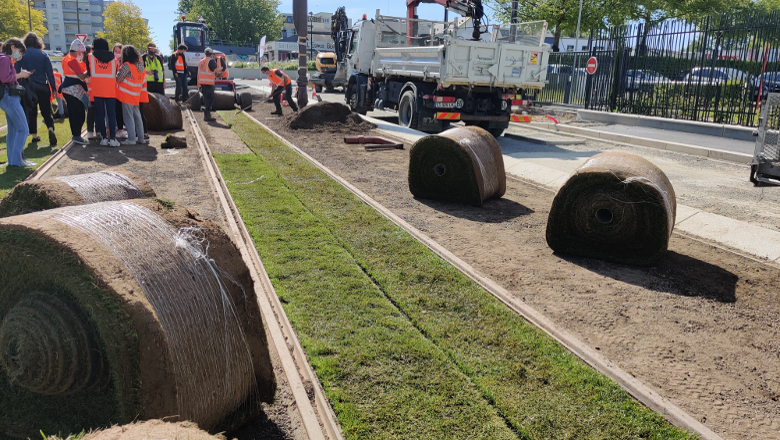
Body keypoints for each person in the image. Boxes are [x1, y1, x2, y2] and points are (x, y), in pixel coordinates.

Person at [15, 32, 57, 145]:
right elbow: (50, 73)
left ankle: (34, 135)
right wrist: (53, 88)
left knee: (32, 111)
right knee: (46, 111)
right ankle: (50, 128)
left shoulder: (21, 55)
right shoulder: (43, 54)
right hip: (43, 86)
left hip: (28, 87)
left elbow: (16, 70)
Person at [0, 38, 35, 166]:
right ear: (12, 46)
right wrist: (20, 75)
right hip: (9, 96)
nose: (19, 55)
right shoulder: (4, 59)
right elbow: (5, 78)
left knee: (13, 130)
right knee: (23, 129)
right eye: (19, 51)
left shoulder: (2, 57)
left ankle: (13, 161)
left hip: (5, 97)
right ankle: (17, 160)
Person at [89, 38, 120, 147]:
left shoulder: (91, 57)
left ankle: (103, 138)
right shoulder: (114, 59)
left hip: (97, 89)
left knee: (100, 115)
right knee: (111, 115)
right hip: (111, 90)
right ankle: (112, 138)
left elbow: (89, 72)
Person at [60, 39, 89, 145]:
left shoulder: (65, 58)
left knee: (74, 113)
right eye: (82, 52)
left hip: (68, 89)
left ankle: (76, 135)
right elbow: (81, 76)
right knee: (79, 114)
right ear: (78, 51)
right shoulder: (72, 60)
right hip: (73, 89)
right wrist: (89, 69)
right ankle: (76, 135)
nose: (82, 55)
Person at [116, 45, 145, 145]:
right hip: (136, 95)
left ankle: (131, 139)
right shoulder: (140, 66)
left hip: (127, 95)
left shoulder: (126, 66)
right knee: (137, 116)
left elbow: (118, 78)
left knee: (128, 117)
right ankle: (141, 138)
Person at [197, 47, 218, 121]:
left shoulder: (201, 61)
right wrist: (219, 74)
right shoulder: (211, 61)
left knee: (206, 98)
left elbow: (199, 73)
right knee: (210, 98)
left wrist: (199, 84)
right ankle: (207, 115)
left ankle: (206, 114)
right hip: (209, 83)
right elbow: (215, 70)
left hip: (202, 83)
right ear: (211, 53)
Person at [113, 43, 126, 139]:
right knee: (117, 110)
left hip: (123, 91)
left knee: (123, 111)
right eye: (115, 51)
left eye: (119, 52)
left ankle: (123, 129)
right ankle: (119, 128)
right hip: (114, 91)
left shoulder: (124, 64)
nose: (117, 53)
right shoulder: (111, 62)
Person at [84, 44, 96, 139]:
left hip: (91, 92)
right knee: (92, 112)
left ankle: (91, 131)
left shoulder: (87, 63)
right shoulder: (88, 62)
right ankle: (91, 131)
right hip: (92, 93)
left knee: (91, 112)